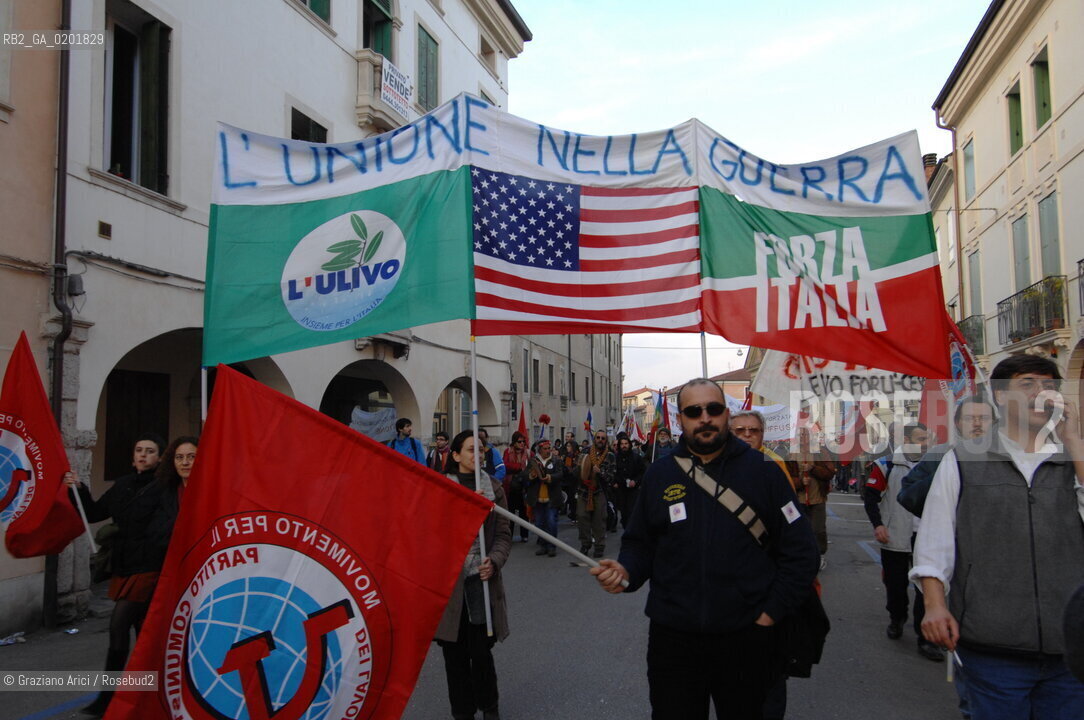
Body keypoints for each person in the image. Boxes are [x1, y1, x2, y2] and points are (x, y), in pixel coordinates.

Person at [592, 378, 819, 719]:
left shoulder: (765, 473)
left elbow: (802, 553)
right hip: (674, 640)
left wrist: (770, 612)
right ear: (680, 419)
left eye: (713, 409)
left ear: (726, 414)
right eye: (694, 411)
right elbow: (639, 544)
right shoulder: (660, 474)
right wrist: (625, 571)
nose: (705, 418)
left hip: (747, 637)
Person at [914, 355, 1084, 718]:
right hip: (991, 647)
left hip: (1070, 648)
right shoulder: (963, 458)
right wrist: (934, 604)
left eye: (1049, 385)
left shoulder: (1073, 459)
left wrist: (1074, 442)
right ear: (1001, 397)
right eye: (1028, 385)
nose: (1042, 393)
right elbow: (935, 538)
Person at [66, 433, 167, 717]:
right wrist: (79, 489)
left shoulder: (164, 488)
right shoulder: (122, 485)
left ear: (159, 458)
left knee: (118, 625)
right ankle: (146, 696)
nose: (143, 455)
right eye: (138, 450)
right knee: (142, 632)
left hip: (149, 567)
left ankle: (108, 698)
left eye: (149, 451)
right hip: (123, 567)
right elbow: (95, 511)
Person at [729, 409, 802, 720]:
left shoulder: (776, 470)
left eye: (753, 430)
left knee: (770, 682)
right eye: (740, 431)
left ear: (763, 434)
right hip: (727, 600)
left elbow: (797, 541)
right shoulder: (713, 472)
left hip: (768, 594)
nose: (747, 435)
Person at [435, 430, 512, 720]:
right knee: (454, 658)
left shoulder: (494, 487)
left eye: (480, 449)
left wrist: (494, 560)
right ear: (455, 455)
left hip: (482, 584)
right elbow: (432, 534)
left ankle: (489, 706)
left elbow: (504, 534)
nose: (477, 454)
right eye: (470, 449)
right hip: (451, 588)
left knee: (481, 654)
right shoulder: (441, 488)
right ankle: (462, 712)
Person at [862, 423, 940, 661]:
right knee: (896, 587)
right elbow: (871, 497)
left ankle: (925, 638)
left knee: (926, 588)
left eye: (927, 438)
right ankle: (897, 617)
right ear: (906, 439)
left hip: (925, 537)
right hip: (895, 535)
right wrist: (879, 525)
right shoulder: (886, 465)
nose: (925, 442)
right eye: (920, 438)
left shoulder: (936, 465)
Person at [897, 395, 995, 516]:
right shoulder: (939, 455)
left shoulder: (1009, 456)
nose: (977, 424)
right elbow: (907, 497)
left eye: (984, 418)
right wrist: (943, 475)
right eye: (969, 418)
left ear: (994, 423)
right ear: (957, 423)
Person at [787, 429, 836, 571]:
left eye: (805, 435)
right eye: (800, 435)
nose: (803, 438)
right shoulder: (791, 454)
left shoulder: (820, 452)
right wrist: (801, 482)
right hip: (799, 499)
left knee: (818, 529)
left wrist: (813, 468)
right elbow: (787, 477)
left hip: (817, 498)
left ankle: (820, 555)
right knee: (800, 529)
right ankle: (802, 555)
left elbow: (829, 472)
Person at [578, 430, 614, 558]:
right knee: (581, 516)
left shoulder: (610, 456)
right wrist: (582, 470)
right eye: (598, 437)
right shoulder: (585, 452)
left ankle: (599, 546)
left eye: (603, 438)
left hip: (599, 491)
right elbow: (577, 470)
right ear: (594, 439)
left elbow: (611, 477)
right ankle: (585, 543)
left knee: (599, 520)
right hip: (584, 491)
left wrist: (600, 472)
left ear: (606, 441)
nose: (600, 440)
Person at [526, 438, 560, 557]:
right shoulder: (533, 461)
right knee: (540, 523)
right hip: (538, 498)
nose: (547, 451)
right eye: (545, 449)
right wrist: (531, 475)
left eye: (548, 448)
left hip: (551, 497)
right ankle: (543, 545)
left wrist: (550, 478)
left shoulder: (556, 460)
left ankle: (552, 546)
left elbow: (560, 474)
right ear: (539, 450)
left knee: (551, 522)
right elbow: (525, 476)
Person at [612, 431, 645, 529]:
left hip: (633, 490)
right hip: (621, 489)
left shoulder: (636, 457)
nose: (624, 446)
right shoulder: (615, 458)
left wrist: (635, 481)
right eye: (622, 444)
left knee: (632, 512)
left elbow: (642, 472)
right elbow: (612, 471)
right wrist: (614, 482)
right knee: (624, 513)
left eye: (626, 444)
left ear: (629, 444)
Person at [502, 432, 530, 543]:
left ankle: (525, 535)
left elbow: (531, 466)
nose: (522, 443)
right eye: (519, 441)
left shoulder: (528, 453)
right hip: (511, 486)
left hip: (524, 487)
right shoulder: (508, 452)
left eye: (523, 441)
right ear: (514, 442)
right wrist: (519, 467)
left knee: (524, 513)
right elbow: (506, 465)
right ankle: (509, 535)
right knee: (510, 513)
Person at [560, 439, 580, 520]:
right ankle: (573, 513)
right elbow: (567, 469)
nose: (567, 447)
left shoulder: (578, 456)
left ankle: (575, 514)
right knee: (571, 499)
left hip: (576, 481)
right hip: (568, 481)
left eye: (569, 446)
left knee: (575, 499)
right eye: (567, 446)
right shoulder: (567, 456)